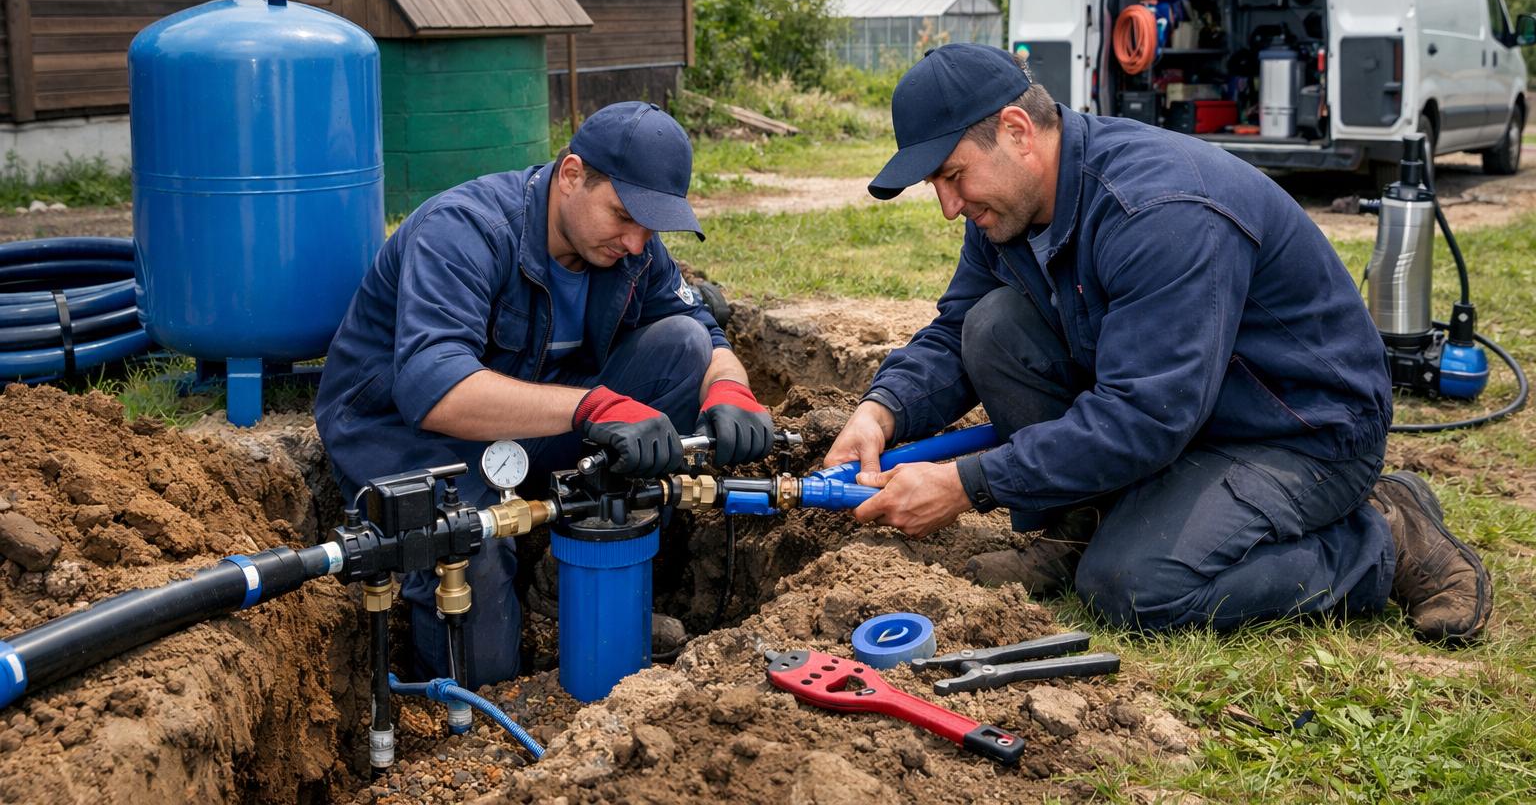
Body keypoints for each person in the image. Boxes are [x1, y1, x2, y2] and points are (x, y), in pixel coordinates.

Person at [826, 43, 1491, 644]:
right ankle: (1079, 527)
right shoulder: (1007, 209)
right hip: (1186, 412)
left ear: (1017, 131)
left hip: (1299, 431)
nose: (949, 205)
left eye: (953, 175)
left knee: (1136, 587)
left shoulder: (1160, 211)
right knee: (994, 325)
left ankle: (1382, 539)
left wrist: (968, 483)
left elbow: (1145, 416)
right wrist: (881, 410)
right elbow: (955, 330)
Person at [316, 101, 775, 684]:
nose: (637, 243)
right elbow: (434, 387)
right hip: (404, 436)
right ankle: (471, 691)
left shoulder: (631, 249)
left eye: (651, 226)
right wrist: (592, 407)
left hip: (528, 427)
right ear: (572, 175)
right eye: (623, 215)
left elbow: (704, 333)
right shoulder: (464, 229)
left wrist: (731, 387)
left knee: (683, 345)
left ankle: (566, 589)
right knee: (478, 603)